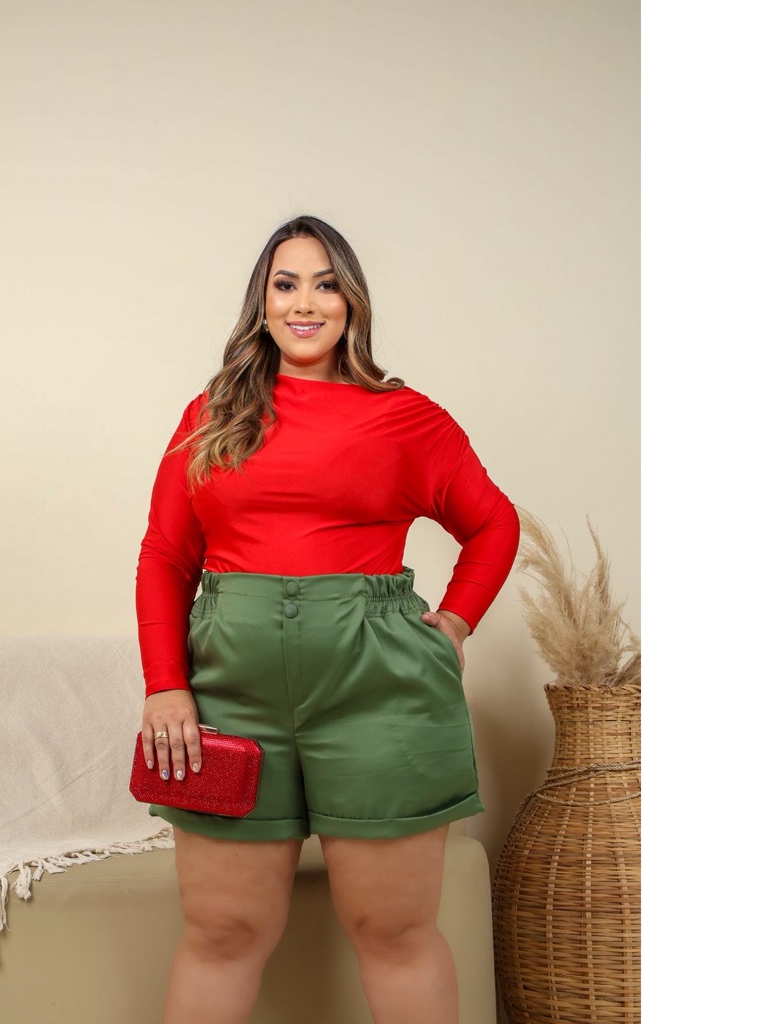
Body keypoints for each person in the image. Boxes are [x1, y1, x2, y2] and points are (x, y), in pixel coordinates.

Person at [135, 215, 519, 1024]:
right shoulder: (210, 414)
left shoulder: (406, 418)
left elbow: (494, 522)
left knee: (393, 929)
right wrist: (166, 685)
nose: (304, 303)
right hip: (230, 693)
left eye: (325, 284)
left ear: (353, 302)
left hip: (380, 691)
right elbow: (167, 554)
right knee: (222, 930)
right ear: (262, 302)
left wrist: (454, 622)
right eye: (286, 284)